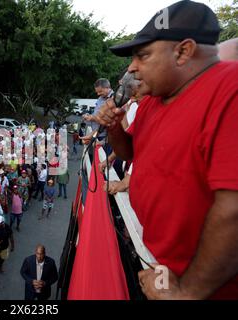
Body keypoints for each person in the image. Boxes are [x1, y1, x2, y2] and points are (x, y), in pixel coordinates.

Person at [94, 0, 238, 299]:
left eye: (143, 55)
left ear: (183, 51)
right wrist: (113, 128)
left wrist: (187, 292)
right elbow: (132, 153)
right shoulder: (154, 100)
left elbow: (234, 209)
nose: (132, 67)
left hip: (208, 287)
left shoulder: (229, 90)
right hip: (164, 268)